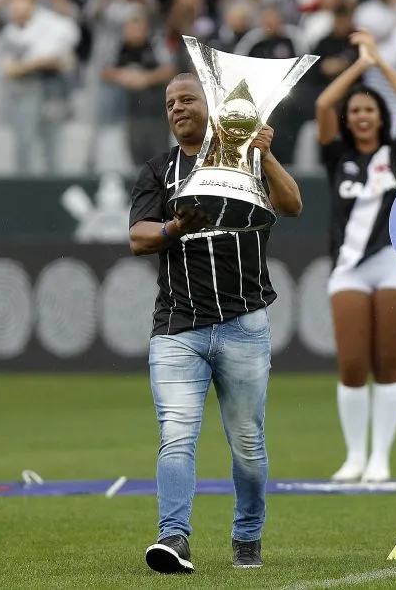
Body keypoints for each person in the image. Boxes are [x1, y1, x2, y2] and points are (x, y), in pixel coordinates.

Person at [128, 72, 303, 574]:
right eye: (169, 104)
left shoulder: (247, 158)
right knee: (176, 435)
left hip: (244, 322)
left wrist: (265, 154)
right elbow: (139, 238)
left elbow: (292, 204)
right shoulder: (160, 171)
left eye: (187, 98)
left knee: (248, 443)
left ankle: (247, 538)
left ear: (213, 104)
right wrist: (175, 227)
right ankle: (174, 538)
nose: (176, 108)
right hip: (178, 327)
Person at [314, 29, 396, 483]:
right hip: (349, 266)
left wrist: (380, 63)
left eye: (369, 110)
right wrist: (359, 66)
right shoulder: (336, 154)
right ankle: (354, 456)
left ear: (380, 118)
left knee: (388, 361)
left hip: (395, 261)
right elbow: (322, 106)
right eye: (355, 110)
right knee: (353, 364)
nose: (361, 116)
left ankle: (381, 458)